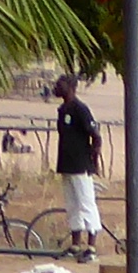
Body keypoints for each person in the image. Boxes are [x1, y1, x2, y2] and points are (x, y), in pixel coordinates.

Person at [52, 74, 103, 259]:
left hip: (81, 165)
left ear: (71, 87)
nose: (56, 87)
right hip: (66, 164)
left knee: (86, 203)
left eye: (60, 84)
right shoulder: (62, 110)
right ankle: (75, 245)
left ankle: (91, 247)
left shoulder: (80, 109)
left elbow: (96, 136)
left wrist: (94, 161)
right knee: (72, 205)